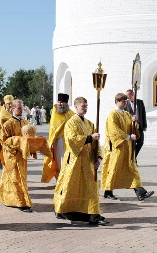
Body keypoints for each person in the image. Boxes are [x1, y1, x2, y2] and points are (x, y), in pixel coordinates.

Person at [53, 97, 108, 226]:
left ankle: (93, 214)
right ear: (76, 107)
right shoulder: (71, 122)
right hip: (74, 161)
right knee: (70, 187)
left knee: (91, 188)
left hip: (88, 161)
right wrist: (89, 137)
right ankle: (62, 210)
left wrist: (98, 158)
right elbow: (72, 140)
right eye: (83, 106)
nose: (85, 108)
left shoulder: (90, 123)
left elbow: (96, 143)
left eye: (86, 106)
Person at [0, 99, 51, 213]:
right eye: (18, 108)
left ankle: (12, 199)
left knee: (21, 178)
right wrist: (19, 141)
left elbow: (30, 139)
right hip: (12, 156)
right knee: (15, 179)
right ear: (12, 109)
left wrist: (33, 145)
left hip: (22, 157)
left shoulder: (26, 123)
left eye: (22, 108)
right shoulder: (8, 124)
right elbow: (4, 141)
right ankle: (20, 202)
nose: (21, 110)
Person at [101, 93, 154, 201]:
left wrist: (135, 122)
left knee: (132, 168)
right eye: (122, 101)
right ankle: (108, 191)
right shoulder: (113, 114)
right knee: (114, 169)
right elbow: (113, 130)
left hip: (127, 147)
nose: (125, 103)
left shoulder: (126, 114)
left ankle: (140, 192)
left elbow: (132, 128)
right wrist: (128, 137)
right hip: (117, 148)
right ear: (116, 102)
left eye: (126, 101)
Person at [41, 93, 75, 183]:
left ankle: (67, 180)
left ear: (66, 104)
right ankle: (60, 181)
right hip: (58, 141)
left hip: (69, 141)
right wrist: (51, 142)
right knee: (59, 161)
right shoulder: (55, 113)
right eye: (59, 102)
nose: (60, 104)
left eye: (62, 102)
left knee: (68, 160)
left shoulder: (71, 114)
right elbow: (53, 130)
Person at [125, 89, 147, 159]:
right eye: (126, 95)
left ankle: (133, 157)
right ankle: (133, 160)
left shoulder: (140, 102)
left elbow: (143, 114)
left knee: (141, 142)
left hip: (139, 125)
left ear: (132, 94)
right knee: (133, 143)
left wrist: (145, 125)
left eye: (128, 95)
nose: (127, 97)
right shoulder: (126, 104)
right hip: (131, 126)